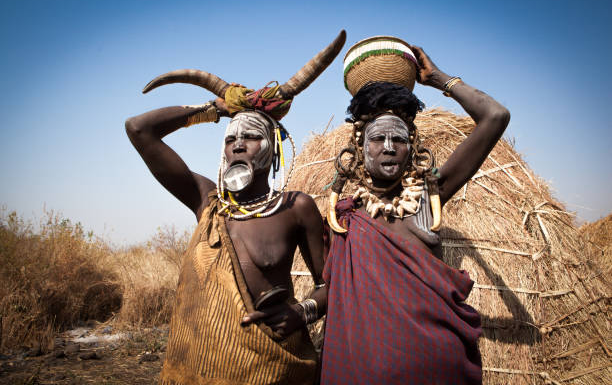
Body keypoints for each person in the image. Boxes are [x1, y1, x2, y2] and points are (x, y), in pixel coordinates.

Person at [126, 30, 346, 385]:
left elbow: (334, 285)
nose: (239, 145)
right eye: (231, 139)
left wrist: (302, 312)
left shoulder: (295, 207)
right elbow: (139, 129)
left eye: (252, 136)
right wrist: (215, 109)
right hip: (197, 370)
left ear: (272, 149)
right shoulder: (206, 202)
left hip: (271, 367)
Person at [322, 38, 510, 384]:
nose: (389, 148)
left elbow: (495, 116)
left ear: (413, 147)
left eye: (400, 139)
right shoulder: (345, 217)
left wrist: (438, 78)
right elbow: (331, 291)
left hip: (437, 369)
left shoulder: (428, 197)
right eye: (378, 139)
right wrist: (302, 310)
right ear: (360, 148)